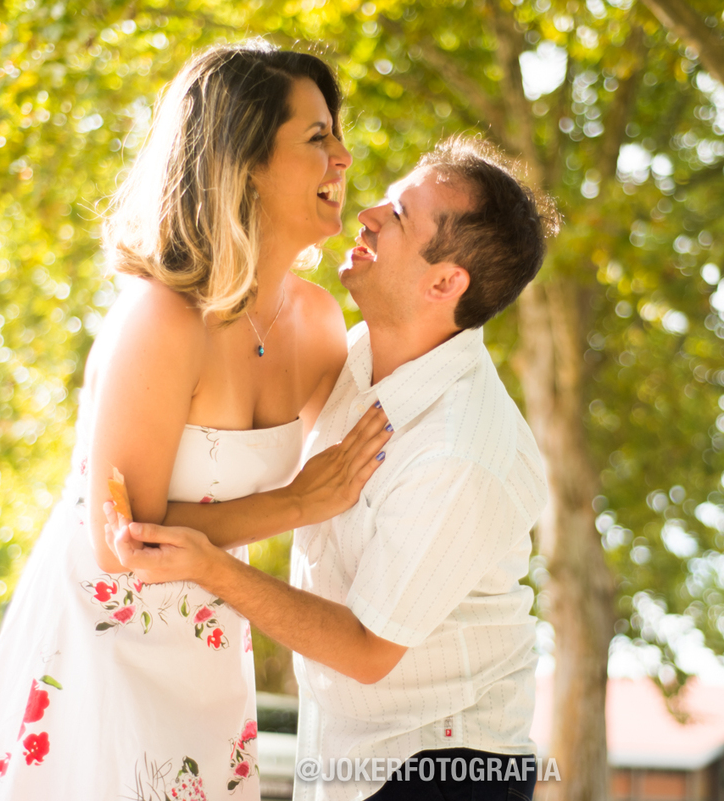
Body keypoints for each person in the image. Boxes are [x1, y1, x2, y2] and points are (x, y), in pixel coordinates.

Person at [0, 43, 393, 801]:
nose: (344, 158)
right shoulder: (161, 318)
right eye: (317, 138)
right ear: (242, 159)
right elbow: (121, 538)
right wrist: (295, 504)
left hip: (209, 646)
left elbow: (373, 462)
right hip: (103, 649)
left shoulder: (321, 323)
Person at [111, 137, 560, 801]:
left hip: (445, 770)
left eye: (400, 215)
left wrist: (210, 564)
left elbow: (365, 649)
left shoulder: (460, 450)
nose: (368, 214)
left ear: (444, 282)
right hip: (361, 758)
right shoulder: (357, 358)